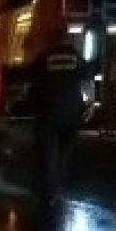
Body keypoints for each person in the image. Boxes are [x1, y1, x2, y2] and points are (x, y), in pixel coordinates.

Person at [28, 36, 89, 209]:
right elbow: (87, 76)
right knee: (64, 153)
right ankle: (59, 189)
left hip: (49, 111)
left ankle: (50, 191)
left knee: (49, 154)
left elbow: (33, 80)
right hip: (72, 112)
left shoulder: (45, 56)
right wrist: (87, 106)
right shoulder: (75, 57)